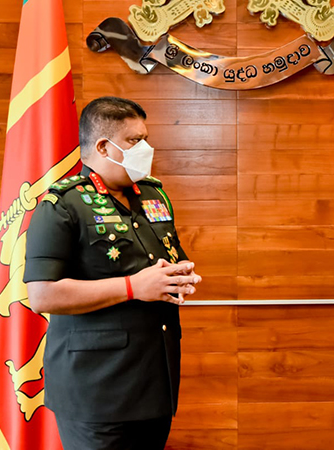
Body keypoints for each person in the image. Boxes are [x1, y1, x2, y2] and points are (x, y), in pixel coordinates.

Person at [24, 96, 202, 450]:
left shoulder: (153, 195)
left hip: (153, 382)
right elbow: (42, 295)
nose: (145, 148)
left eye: (146, 138)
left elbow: (165, 259)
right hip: (95, 389)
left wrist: (178, 277)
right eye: (135, 140)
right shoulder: (63, 205)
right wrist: (133, 287)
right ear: (104, 147)